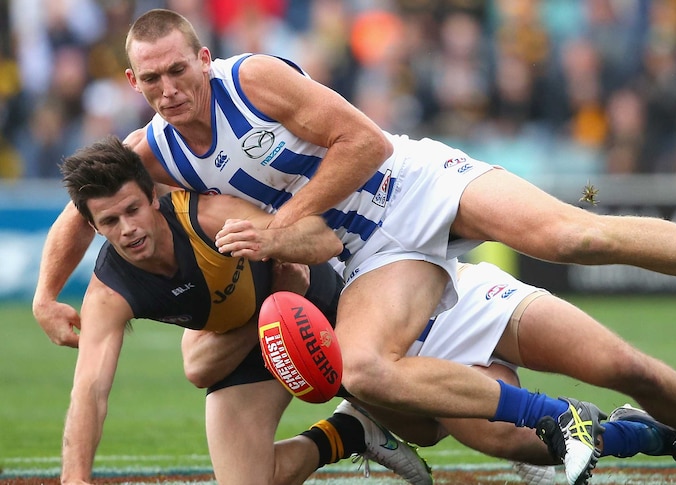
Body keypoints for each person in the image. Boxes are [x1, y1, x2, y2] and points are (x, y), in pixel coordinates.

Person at [34, 9, 676, 485]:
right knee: (369, 372)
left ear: (202, 58)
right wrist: (46, 291)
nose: (168, 90)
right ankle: (563, 424)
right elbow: (85, 201)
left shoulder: (251, 84)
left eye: (178, 70)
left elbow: (366, 144)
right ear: (135, 83)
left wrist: (282, 226)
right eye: (151, 80)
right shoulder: (154, 150)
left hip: (413, 182)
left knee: (573, 232)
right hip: (373, 257)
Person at [56, 136, 432, 485]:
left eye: (133, 210)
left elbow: (323, 240)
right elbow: (89, 390)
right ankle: (350, 431)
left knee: (427, 428)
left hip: (309, 307)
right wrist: (74, 479)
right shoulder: (109, 292)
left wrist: (273, 241)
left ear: (153, 197)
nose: (128, 230)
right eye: (109, 221)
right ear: (93, 226)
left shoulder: (207, 218)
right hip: (246, 334)